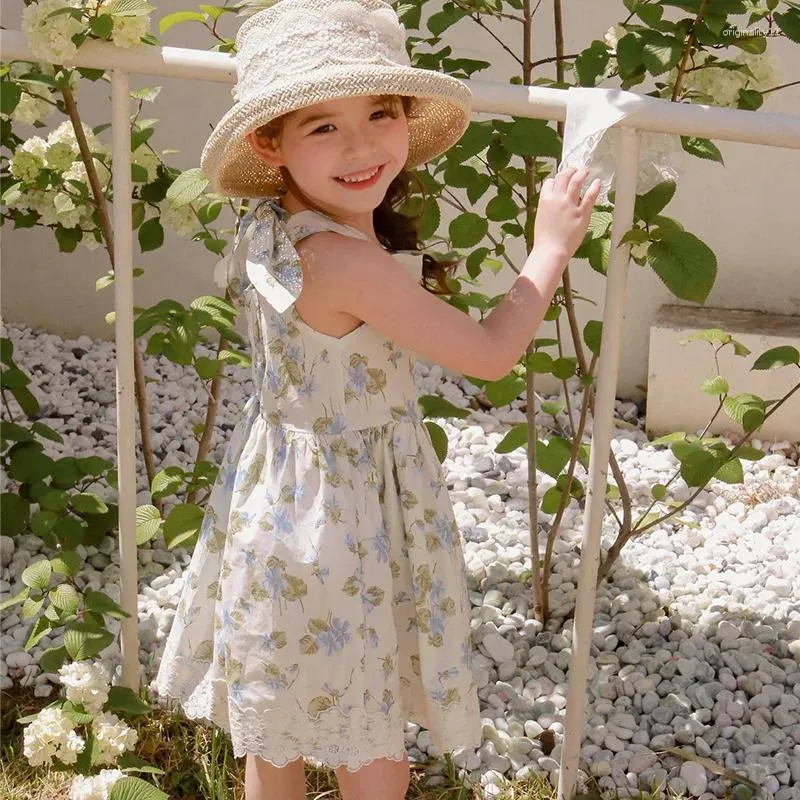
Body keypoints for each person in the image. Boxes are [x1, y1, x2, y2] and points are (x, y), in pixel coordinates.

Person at [154, 1, 601, 799]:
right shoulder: (346, 262)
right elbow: (492, 356)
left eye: (380, 114)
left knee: (279, 731)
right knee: (371, 728)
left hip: (278, 502)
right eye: (322, 127)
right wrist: (550, 247)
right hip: (348, 518)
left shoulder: (272, 224)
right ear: (270, 142)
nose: (361, 146)